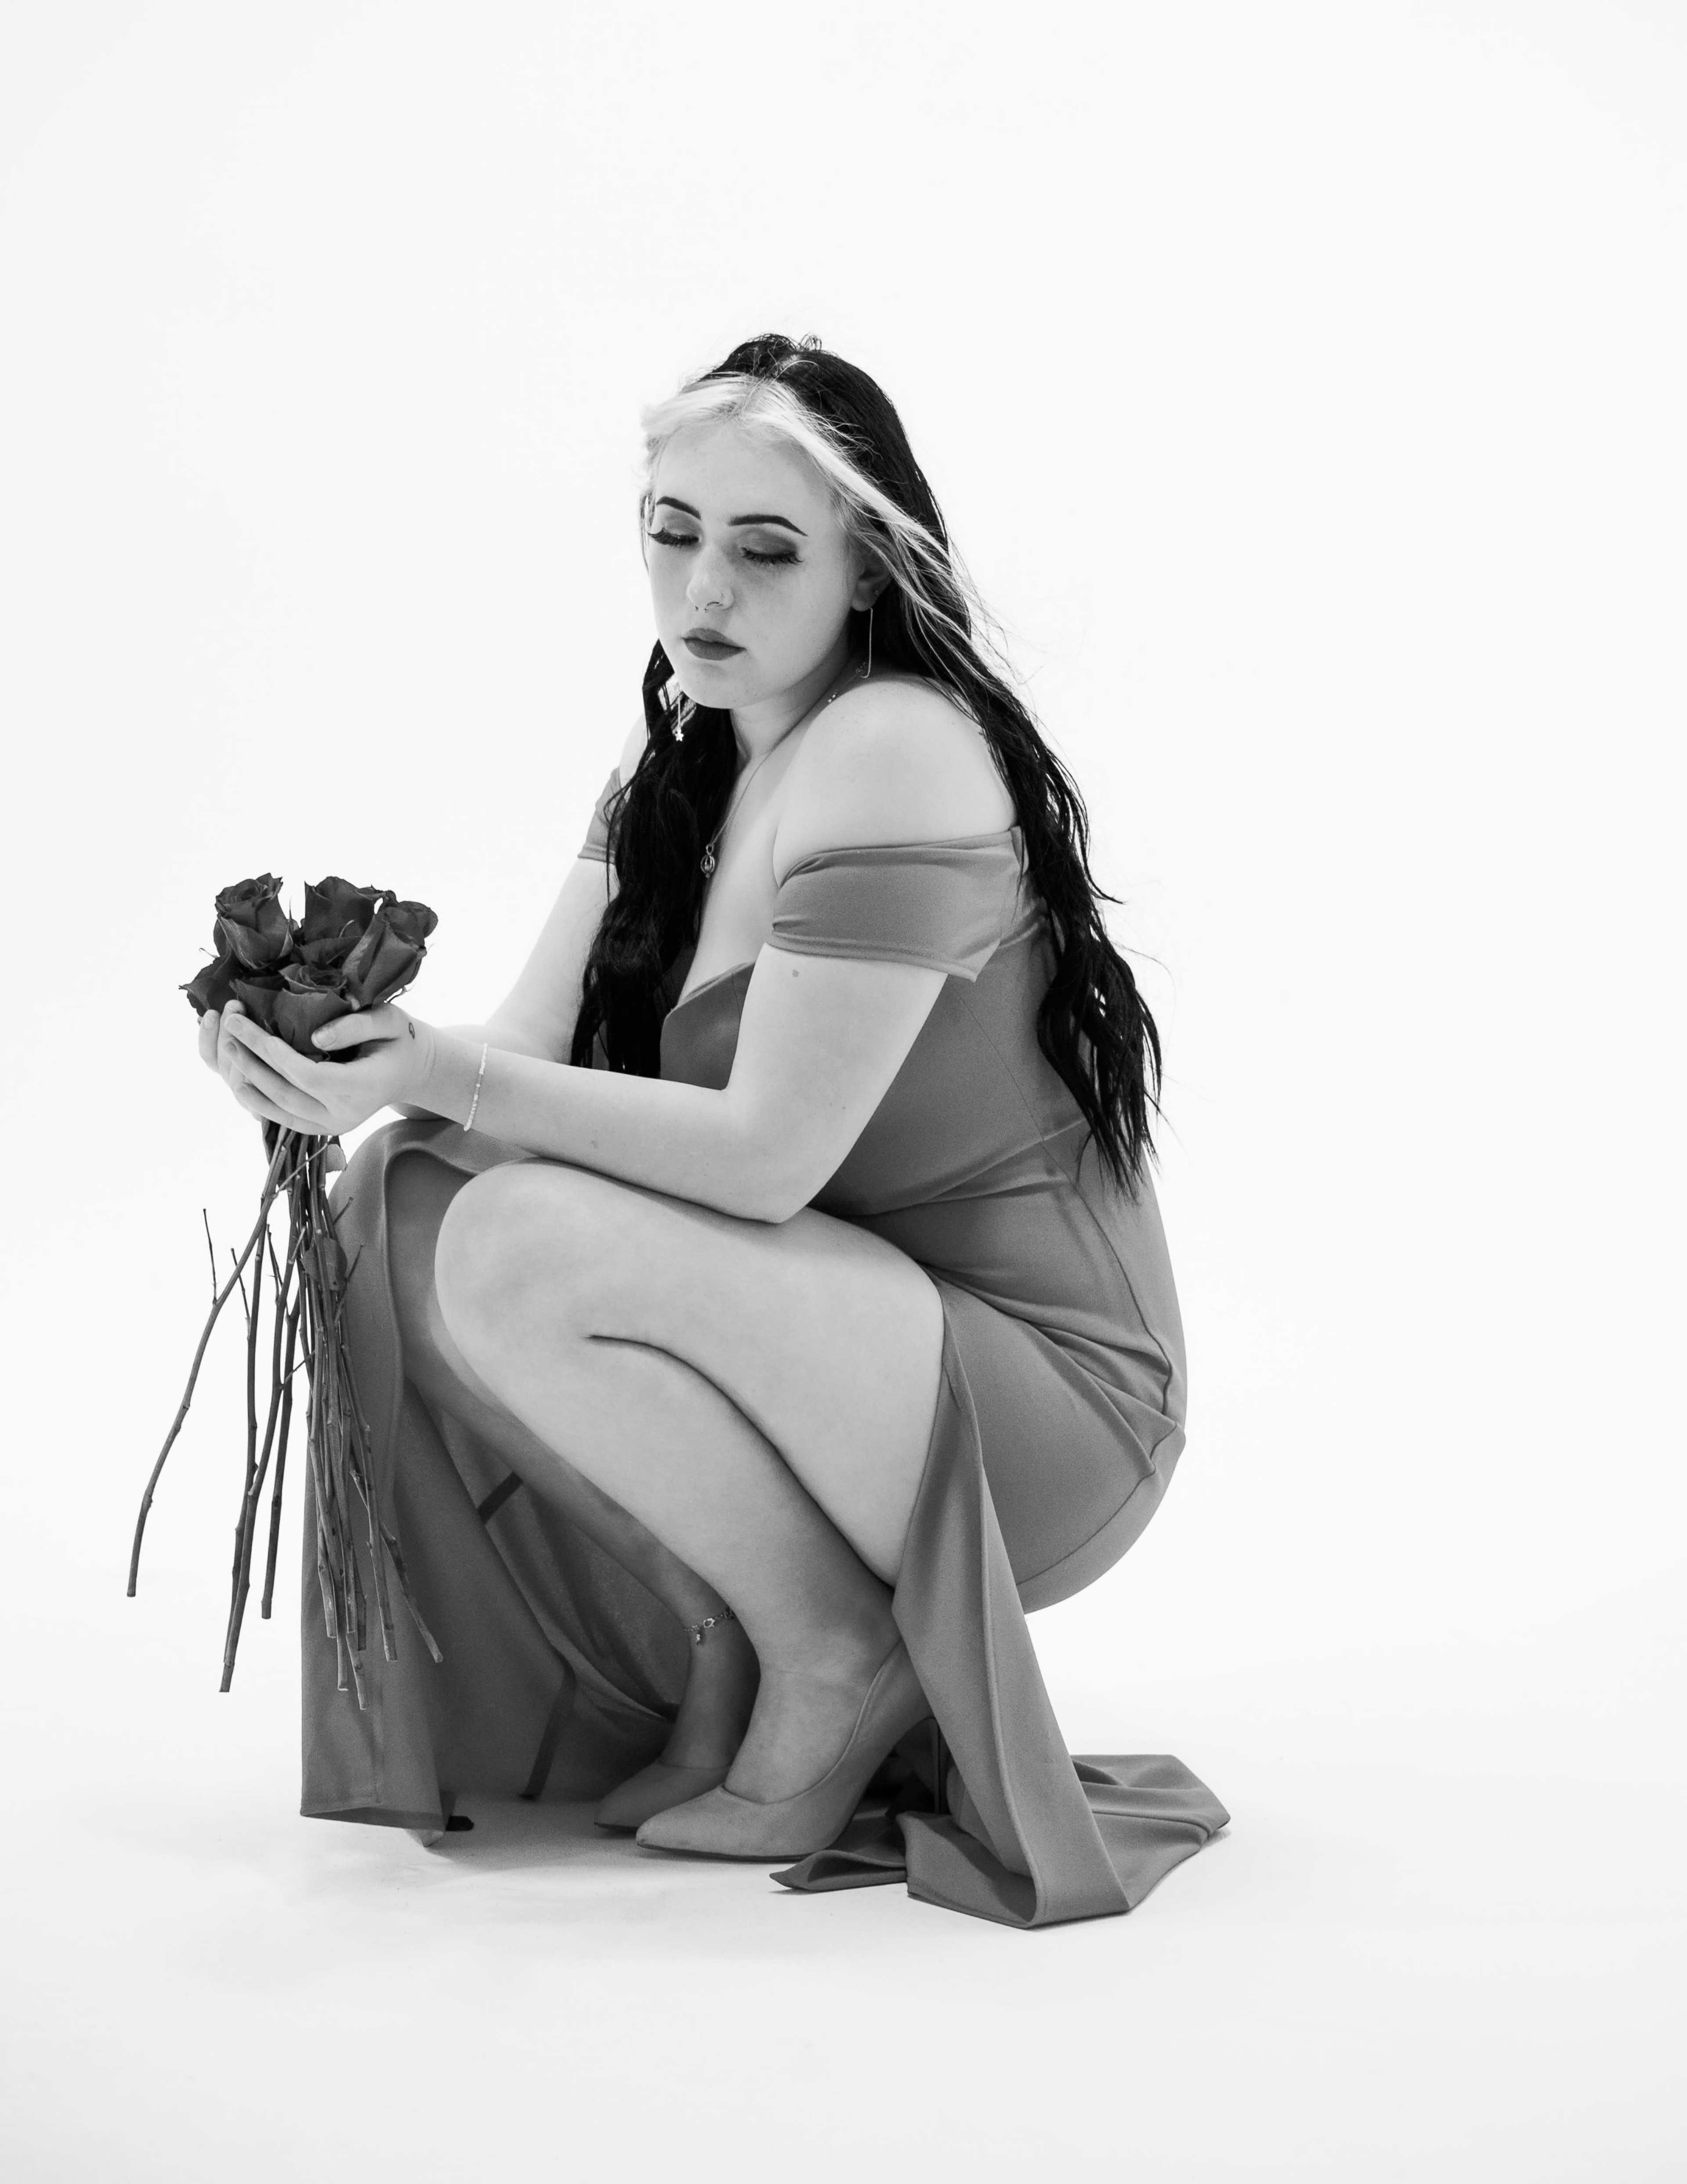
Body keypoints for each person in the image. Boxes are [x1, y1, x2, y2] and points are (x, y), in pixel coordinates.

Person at [199, 333, 1227, 1927]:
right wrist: (338, 1063)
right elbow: (522, 1057)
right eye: (674, 534)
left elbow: (765, 1160)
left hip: (1031, 1394)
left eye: (764, 551)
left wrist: (433, 1074)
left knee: (518, 1232)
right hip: (833, 1336)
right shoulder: (680, 744)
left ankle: (841, 1648)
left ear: (873, 567)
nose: (706, 595)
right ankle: (736, 1632)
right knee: (399, 1199)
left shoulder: (893, 749)